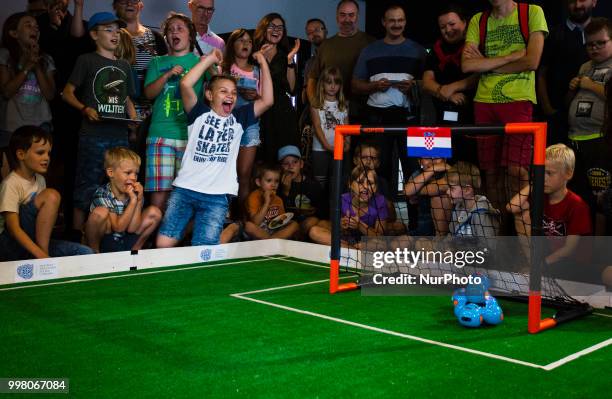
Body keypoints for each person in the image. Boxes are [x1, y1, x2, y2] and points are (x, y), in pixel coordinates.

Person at [156, 47, 273, 247]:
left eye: (234, 93)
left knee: (204, 251)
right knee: (163, 245)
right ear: (209, 95)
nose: (230, 96)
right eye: (223, 91)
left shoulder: (240, 117)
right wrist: (209, 59)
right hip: (185, 190)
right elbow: (185, 84)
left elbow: (268, 100)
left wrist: (263, 63)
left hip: (217, 197)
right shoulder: (198, 112)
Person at [462, 0, 548, 211]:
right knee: (490, 172)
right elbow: (467, 65)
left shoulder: (532, 12)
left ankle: (523, 228)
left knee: (517, 170)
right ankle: (499, 230)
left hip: (518, 99)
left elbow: (532, 62)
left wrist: (487, 65)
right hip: (483, 102)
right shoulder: (478, 20)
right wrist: (512, 56)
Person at [62, 12, 137, 237]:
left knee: (119, 185)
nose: (114, 34)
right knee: (87, 183)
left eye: (117, 30)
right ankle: (77, 233)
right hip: (93, 135)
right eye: (108, 30)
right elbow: (67, 93)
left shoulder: (124, 66)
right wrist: (85, 109)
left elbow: (126, 99)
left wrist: (133, 125)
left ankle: (112, 233)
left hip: (119, 135)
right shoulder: (86, 60)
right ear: (94, 34)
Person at [352, 4, 426, 189]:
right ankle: (382, 216)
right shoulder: (369, 50)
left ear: (405, 22)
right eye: (392, 20)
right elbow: (354, 85)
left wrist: (414, 85)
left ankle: (415, 219)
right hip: (377, 117)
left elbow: (430, 84)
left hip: (408, 116)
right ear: (384, 22)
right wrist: (374, 86)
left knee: (413, 168)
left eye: (400, 20)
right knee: (379, 168)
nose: (396, 24)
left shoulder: (418, 50)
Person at [0, 125, 93, 261]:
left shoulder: (40, 180)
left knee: (85, 252)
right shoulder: (10, 184)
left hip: (36, 243)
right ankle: (43, 260)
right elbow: (14, 230)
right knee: (51, 196)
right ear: (21, 154)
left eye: (48, 153)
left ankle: (43, 258)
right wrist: (43, 256)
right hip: (12, 246)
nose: (46, 158)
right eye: (40, 153)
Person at [143, 13, 204, 211]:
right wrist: (167, 75)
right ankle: (155, 241)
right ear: (166, 37)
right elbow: (149, 93)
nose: (174, 32)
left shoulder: (199, 63)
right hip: (160, 135)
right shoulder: (157, 63)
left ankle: (176, 239)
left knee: (184, 199)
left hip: (190, 136)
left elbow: (218, 86)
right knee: (159, 198)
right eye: (170, 30)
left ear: (190, 36)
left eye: (180, 29)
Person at [567, 17, 612, 212]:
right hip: (576, 138)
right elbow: (571, 101)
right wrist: (572, 89)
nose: (594, 48)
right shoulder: (585, 66)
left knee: (601, 198)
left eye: (601, 43)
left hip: (600, 140)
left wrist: (590, 85)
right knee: (579, 195)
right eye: (590, 44)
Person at [538, 0, 597, 145]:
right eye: (572, 1)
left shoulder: (606, 33)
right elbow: (540, 74)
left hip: (596, 118)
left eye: (582, 0)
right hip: (559, 117)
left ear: (594, 2)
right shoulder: (552, 35)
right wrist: (548, 109)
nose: (577, 5)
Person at [0, 12, 56, 163]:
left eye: (36, 27)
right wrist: (27, 67)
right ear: (14, 33)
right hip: (13, 128)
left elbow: (50, 94)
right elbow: (7, 91)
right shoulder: (5, 55)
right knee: (13, 172)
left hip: (41, 126)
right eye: (28, 25)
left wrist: (37, 66)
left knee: (39, 173)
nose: (35, 29)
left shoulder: (46, 59)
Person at [307, 0, 374, 122]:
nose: (347, 19)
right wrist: (315, 106)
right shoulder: (326, 46)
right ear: (337, 17)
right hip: (332, 115)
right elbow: (313, 79)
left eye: (351, 15)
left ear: (357, 16)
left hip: (365, 113)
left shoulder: (371, 43)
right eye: (343, 15)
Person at [85, 147, 161, 253]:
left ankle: (135, 250)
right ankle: (93, 253)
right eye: (128, 172)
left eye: (136, 173)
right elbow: (118, 228)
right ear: (111, 173)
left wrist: (137, 200)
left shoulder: (134, 194)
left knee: (154, 212)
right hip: (106, 241)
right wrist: (133, 202)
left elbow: (132, 229)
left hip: (124, 239)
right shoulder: (103, 194)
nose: (134, 178)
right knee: (100, 213)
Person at [221, 28, 263, 207]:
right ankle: (224, 213)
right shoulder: (224, 67)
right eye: (241, 40)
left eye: (249, 41)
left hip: (250, 124)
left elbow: (265, 100)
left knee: (244, 173)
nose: (246, 44)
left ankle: (242, 217)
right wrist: (237, 92)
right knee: (225, 171)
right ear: (232, 44)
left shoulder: (257, 71)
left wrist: (256, 97)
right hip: (226, 123)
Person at [254, 13, 301, 163]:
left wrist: (289, 60)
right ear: (263, 28)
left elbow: (292, 89)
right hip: (260, 111)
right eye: (272, 26)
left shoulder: (283, 55)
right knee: (263, 159)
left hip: (283, 113)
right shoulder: (253, 53)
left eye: (280, 27)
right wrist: (260, 57)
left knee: (285, 158)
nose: (276, 30)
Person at [423, 5, 478, 125]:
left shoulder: (474, 45)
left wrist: (452, 88)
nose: (448, 30)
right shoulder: (435, 49)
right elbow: (427, 82)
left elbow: (480, 76)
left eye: (452, 24)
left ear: (464, 22)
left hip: (473, 113)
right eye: (443, 27)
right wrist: (445, 93)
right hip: (442, 113)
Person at [309, 165, 388, 248]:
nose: (365, 187)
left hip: (367, 241)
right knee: (314, 231)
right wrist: (342, 224)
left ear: (375, 187)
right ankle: (352, 249)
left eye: (370, 183)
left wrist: (359, 225)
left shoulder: (380, 201)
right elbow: (334, 228)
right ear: (350, 184)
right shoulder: (342, 199)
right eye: (360, 182)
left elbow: (380, 237)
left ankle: (349, 250)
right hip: (346, 240)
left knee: (381, 245)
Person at [309, 66, 349, 187]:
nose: (332, 86)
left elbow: (347, 126)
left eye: (336, 83)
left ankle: (334, 206)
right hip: (320, 149)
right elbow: (317, 126)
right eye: (329, 82)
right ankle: (319, 206)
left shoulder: (343, 105)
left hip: (339, 148)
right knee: (320, 183)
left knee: (336, 182)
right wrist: (326, 145)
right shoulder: (316, 104)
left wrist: (347, 143)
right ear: (322, 84)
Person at [278, 145, 326, 237]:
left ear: (301, 164)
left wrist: (314, 211)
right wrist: (285, 191)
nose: (290, 166)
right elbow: (280, 214)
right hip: (287, 225)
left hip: (307, 225)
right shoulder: (279, 184)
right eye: (285, 163)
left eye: (295, 162)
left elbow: (323, 210)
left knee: (312, 221)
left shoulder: (313, 184)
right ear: (281, 167)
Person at [244, 163, 299, 240]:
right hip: (260, 231)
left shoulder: (278, 200)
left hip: (274, 231)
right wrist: (267, 202)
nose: (273, 185)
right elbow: (255, 223)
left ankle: (271, 240)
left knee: (294, 224)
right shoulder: (253, 197)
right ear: (258, 182)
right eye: (269, 180)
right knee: (248, 226)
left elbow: (281, 221)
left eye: (276, 181)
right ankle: (273, 241)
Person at [446, 161, 500, 238]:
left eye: (451, 188)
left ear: (467, 190)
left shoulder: (481, 213)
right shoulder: (458, 207)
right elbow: (452, 235)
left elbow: (488, 247)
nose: (447, 191)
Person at [404, 157, 452, 236]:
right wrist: (433, 169)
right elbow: (407, 191)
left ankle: (440, 239)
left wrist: (417, 192)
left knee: (438, 198)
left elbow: (442, 187)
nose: (432, 161)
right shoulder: (417, 174)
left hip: (449, 226)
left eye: (437, 157)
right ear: (420, 161)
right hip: (424, 226)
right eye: (427, 158)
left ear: (445, 160)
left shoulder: (450, 172)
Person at [302, 18, 327, 104]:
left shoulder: (336, 54)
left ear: (325, 31)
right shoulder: (309, 63)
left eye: (317, 29)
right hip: (314, 108)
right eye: (310, 32)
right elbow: (304, 96)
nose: (314, 34)